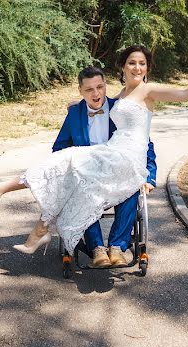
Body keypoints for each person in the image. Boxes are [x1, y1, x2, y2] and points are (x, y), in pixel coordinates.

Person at [0, 44, 188, 256]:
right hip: (113, 153)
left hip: (127, 158)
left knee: (70, 163)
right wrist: (80, 101)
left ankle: (38, 223)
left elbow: (182, 94)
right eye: (132, 62)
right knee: (63, 162)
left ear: (147, 68)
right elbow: (107, 102)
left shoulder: (149, 90)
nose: (137, 67)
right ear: (123, 67)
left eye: (142, 63)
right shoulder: (122, 94)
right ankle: (3, 194)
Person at [51, 65, 157, 268]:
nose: (96, 93)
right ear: (80, 91)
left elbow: (144, 144)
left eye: (100, 87)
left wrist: (149, 176)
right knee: (82, 189)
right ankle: (97, 249)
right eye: (89, 89)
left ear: (106, 85)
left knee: (132, 185)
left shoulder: (120, 110)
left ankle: (117, 247)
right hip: (89, 176)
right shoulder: (75, 114)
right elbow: (59, 148)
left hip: (118, 173)